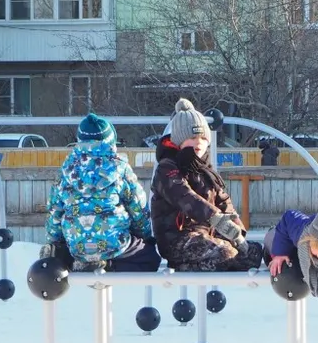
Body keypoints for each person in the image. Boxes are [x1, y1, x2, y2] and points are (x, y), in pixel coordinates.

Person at [151, 98, 264, 272]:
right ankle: (186, 266)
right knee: (225, 253)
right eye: (192, 137)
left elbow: (224, 202)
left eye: (203, 138)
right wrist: (215, 218)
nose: (198, 142)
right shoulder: (167, 168)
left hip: (207, 235)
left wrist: (237, 232)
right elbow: (185, 197)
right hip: (178, 238)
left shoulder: (206, 171)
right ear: (179, 140)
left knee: (253, 253)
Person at [41, 113, 162, 273]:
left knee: (72, 247)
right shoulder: (119, 168)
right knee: (150, 257)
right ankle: (108, 264)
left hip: (77, 245)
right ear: (110, 141)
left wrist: (54, 240)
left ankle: (73, 259)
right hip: (115, 244)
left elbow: (54, 212)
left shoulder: (66, 170)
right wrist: (144, 236)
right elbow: (138, 208)